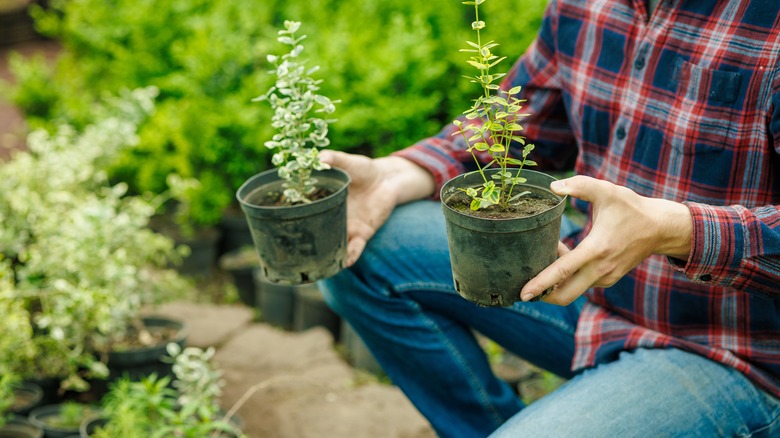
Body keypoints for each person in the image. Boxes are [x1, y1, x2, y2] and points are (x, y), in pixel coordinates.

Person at [318, 0, 780, 436]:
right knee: (363, 246)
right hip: (591, 295)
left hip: (731, 349)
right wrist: (397, 174)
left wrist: (676, 230)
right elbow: (518, 125)